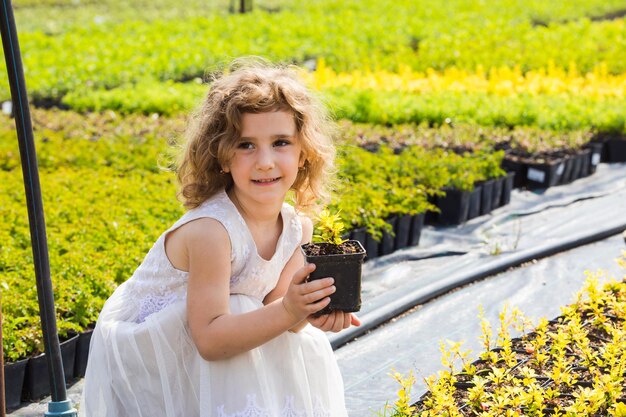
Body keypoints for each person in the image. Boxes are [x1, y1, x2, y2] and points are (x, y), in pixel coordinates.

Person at [80, 59, 360, 417]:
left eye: (280, 143)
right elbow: (211, 341)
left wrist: (308, 312)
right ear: (222, 157)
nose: (264, 161)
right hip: (155, 348)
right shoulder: (212, 231)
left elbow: (278, 310)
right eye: (245, 145)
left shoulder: (297, 227)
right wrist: (289, 309)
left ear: (304, 153)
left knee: (300, 339)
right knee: (243, 305)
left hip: (217, 331)